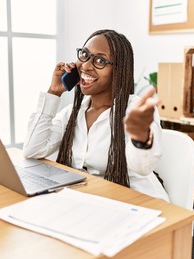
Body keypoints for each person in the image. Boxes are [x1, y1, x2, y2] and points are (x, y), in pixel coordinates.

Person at [23, 29, 169, 201]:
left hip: (139, 204)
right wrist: (54, 92)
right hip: (96, 201)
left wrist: (141, 137)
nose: (85, 65)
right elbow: (32, 150)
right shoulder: (72, 113)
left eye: (100, 60)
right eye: (84, 54)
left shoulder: (135, 110)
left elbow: (142, 167)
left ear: (118, 70)